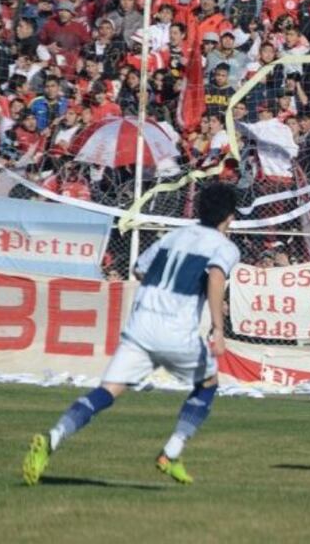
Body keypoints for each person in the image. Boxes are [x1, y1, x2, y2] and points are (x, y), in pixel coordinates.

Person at [22, 182, 241, 486]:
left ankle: (52, 439)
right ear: (229, 217)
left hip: (140, 325)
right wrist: (218, 328)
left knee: (107, 390)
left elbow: (139, 269)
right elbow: (216, 276)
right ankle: (171, 452)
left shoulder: (174, 235)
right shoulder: (225, 246)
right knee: (208, 383)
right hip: (175, 329)